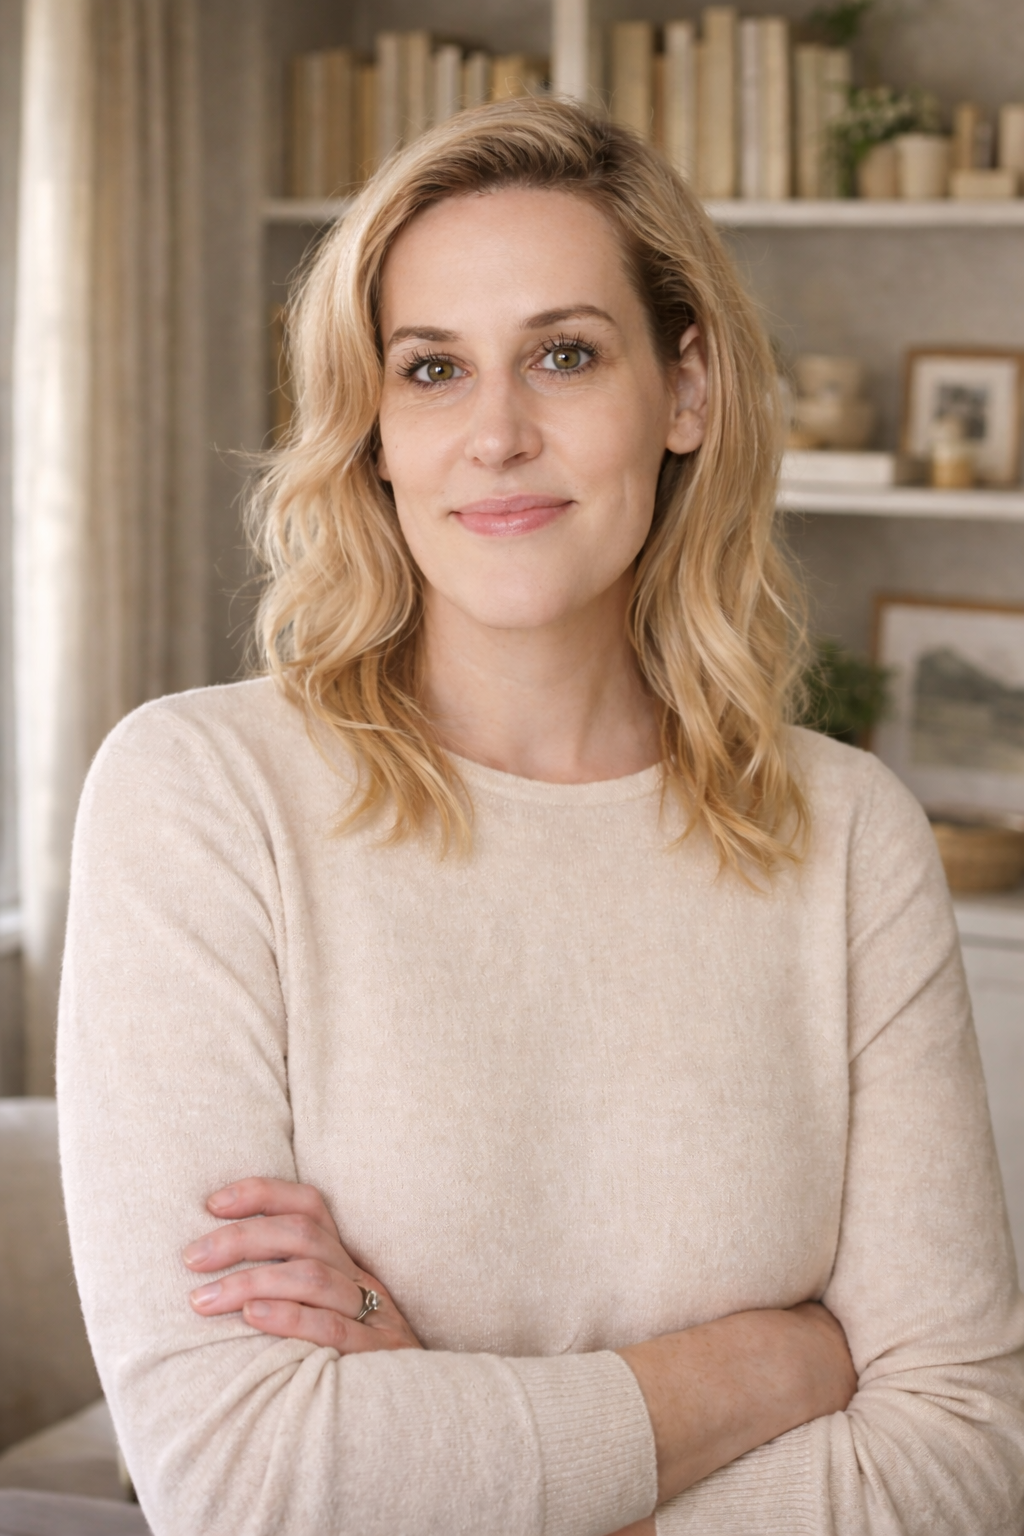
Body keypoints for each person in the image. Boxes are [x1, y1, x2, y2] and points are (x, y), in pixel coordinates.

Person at [58, 99, 1024, 1536]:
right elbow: (249, 1477)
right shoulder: (203, 797)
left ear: (685, 390)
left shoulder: (846, 836)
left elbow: (964, 1458)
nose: (498, 433)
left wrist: (470, 1449)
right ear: (374, 432)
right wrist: (776, 1364)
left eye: (565, 355)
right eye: (432, 369)